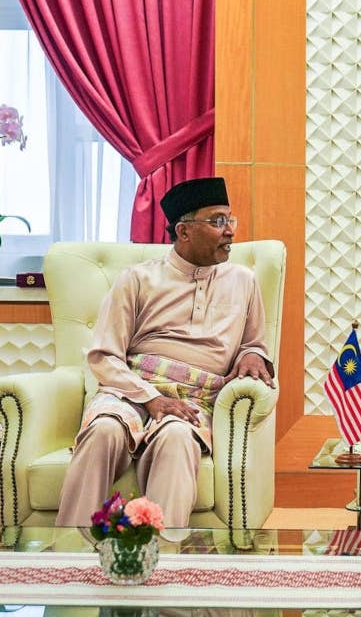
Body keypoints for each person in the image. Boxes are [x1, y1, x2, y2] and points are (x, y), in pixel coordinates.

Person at [56, 176, 275, 528]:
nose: (229, 231)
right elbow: (104, 355)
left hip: (192, 401)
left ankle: (160, 563)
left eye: (229, 220)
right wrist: (150, 398)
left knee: (176, 439)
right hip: (129, 391)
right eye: (217, 221)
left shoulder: (243, 281)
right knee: (103, 432)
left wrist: (253, 355)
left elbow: (254, 343)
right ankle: (65, 556)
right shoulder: (137, 279)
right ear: (184, 231)